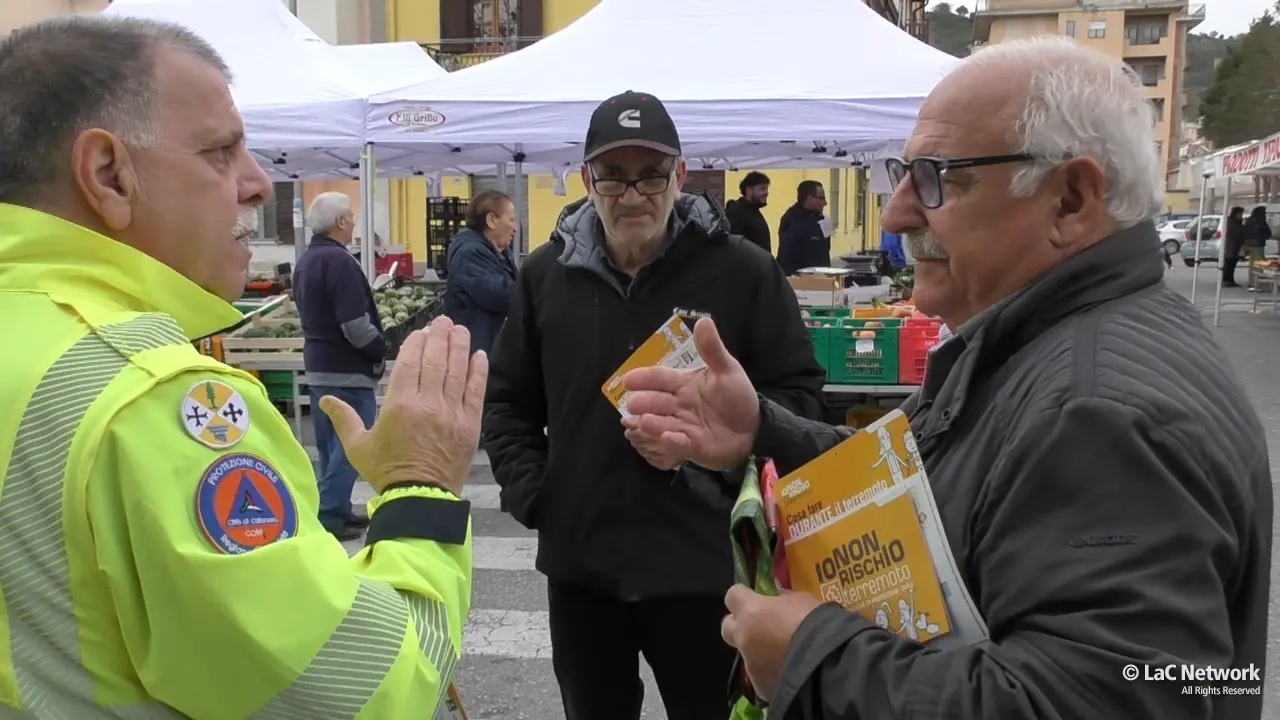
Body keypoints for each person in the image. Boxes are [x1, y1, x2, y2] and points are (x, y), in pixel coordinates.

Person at [620, 36, 1271, 720]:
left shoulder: (1096, 412)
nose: (897, 214)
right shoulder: (1055, 345)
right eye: (904, 175)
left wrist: (813, 658)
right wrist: (759, 431)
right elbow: (935, 488)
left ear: (1070, 200)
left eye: (936, 178)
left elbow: (1093, 702)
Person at [0, 16, 487, 716]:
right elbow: (363, 690)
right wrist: (421, 487)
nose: (258, 183)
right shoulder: (148, 397)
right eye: (221, 152)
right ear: (108, 174)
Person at [483, 90, 826, 720]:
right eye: (613, 177)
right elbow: (506, 404)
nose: (633, 194)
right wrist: (539, 496)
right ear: (587, 179)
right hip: (584, 573)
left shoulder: (744, 273)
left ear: (680, 174)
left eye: (650, 175)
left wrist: (720, 457)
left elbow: (800, 398)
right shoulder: (544, 277)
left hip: (704, 571)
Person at [293, 191, 386, 540]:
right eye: (351, 217)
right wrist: (380, 348)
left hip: (319, 365)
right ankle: (330, 514)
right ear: (341, 222)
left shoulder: (307, 260)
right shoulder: (341, 262)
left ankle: (338, 508)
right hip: (346, 367)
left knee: (331, 444)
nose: (353, 223)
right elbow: (354, 324)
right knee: (351, 445)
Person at [442, 189, 518, 355]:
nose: (515, 228)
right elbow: (499, 295)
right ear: (491, 220)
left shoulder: (497, 250)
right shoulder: (470, 253)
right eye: (511, 219)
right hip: (476, 351)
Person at [777, 180, 829, 275]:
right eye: (821, 198)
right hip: (802, 280)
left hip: (818, 277)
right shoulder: (793, 221)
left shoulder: (816, 218)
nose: (825, 203)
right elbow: (789, 258)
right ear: (809, 198)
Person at [725, 171, 773, 254]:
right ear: (749, 190)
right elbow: (733, 246)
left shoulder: (753, 211)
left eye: (766, 189)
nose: (766, 192)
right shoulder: (737, 212)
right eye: (762, 189)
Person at [1242, 205, 1272, 290]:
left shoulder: (1249, 220)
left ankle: (1251, 283)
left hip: (1249, 245)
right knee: (1258, 266)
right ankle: (1254, 285)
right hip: (1257, 245)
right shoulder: (1260, 222)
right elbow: (1268, 232)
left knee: (1252, 265)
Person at [1221, 205, 1245, 288]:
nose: (1241, 215)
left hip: (1234, 246)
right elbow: (1238, 232)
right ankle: (1226, 280)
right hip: (1231, 246)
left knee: (1232, 264)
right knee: (1229, 264)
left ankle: (1230, 280)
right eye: (1240, 214)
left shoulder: (1235, 222)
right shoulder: (1232, 222)